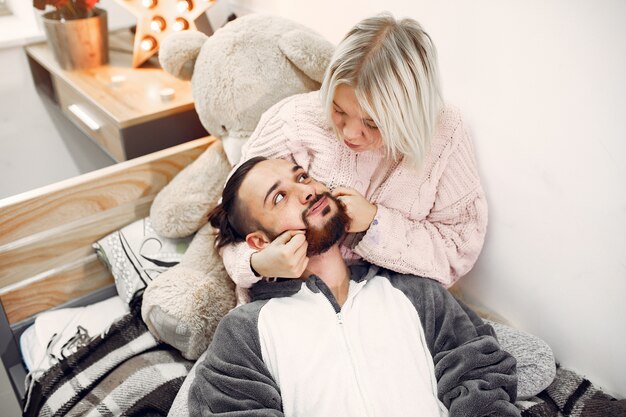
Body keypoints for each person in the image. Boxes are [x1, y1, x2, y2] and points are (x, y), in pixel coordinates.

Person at [219, 12, 555, 399]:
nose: (349, 133)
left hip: (395, 304)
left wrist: (375, 226)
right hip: (292, 302)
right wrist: (259, 264)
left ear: (410, 115)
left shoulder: (444, 136)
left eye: (372, 123)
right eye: (339, 111)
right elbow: (232, 223)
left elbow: (455, 251)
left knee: (529, 362)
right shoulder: (295, 121)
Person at [188, 157, 521, 417]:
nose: (306, 190)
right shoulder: (245, 331)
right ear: (259, 242)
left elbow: (481, 373)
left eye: (302, 176)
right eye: (279, 197)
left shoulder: (416, 293)